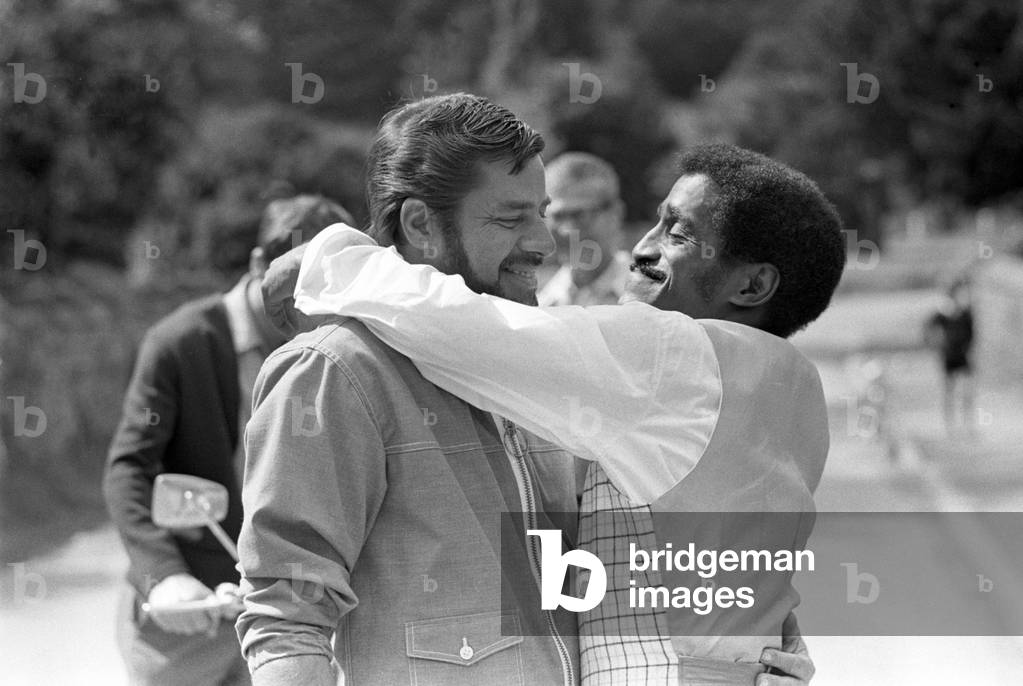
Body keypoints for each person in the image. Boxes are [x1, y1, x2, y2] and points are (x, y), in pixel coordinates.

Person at [264, 143, 837, 685]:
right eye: (657, 221)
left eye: (678, 233)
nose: (643, 246)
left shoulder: (672, 355)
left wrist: (329, 261)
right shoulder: (794, 384)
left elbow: (468, 331)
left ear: (754, 284)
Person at [236, 94, 582, 686]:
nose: (545, 242)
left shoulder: (533, 363)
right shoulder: (334, 374)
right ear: (421, 225)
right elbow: (288, 617)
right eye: (510, 219)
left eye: (542, 213)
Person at [104, 194, 351, 686]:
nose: (320, 302)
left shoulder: (338, 351)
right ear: (261, 264)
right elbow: (130, 470)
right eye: (304, 282)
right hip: (193, 618)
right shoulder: (179, 342)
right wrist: (165, 576)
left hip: (297, 622)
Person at [538, 152, 631, 307]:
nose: (567, 230)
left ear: (615, 214)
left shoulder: (652, 299)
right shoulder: (539, 305)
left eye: (580, 216)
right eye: (558, 217)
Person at [925, 278, 975, 433]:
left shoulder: (966, 313)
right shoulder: (944, 314)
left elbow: (972, 335)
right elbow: (929, 329)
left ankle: (967, 423)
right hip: (949, 356)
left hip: (963, 355)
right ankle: (950, 425)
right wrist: (937, 345)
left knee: (967, 391)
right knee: (950, 392)